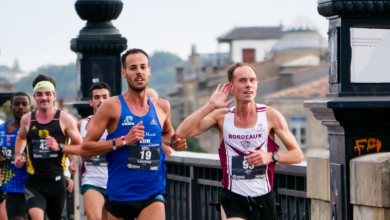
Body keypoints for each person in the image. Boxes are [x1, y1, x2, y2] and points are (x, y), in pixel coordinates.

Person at [175, 63, 303, 220]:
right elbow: (181, 133)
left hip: (264, 200)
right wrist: (210, 106)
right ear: (232, 86)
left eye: (252, 80)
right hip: (233, 199)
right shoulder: (222, 117)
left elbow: (298, 154)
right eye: (242, 80)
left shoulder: (271, 116)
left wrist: (270, 156)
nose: (248, 85)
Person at [80, 48, 187, 220]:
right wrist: (123, 140)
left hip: (152, 191)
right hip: (120, 194)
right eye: (133, 67)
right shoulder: (111, 106)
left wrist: (175, 143)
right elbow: (85, 150)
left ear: (149, 71)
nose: (139, 72)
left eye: (143, 67)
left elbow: (166, 134)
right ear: (124, 73)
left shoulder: (162, 107)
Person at [14, 74, 82, 220]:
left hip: (57, 182)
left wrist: (61, 147)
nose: (43, 98)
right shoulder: (27, 119)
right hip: (34, 182)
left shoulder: (64, 119)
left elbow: (80, 146)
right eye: (39, 94)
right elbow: (21, 137)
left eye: (47, 94)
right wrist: (18, 154)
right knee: (36, 217)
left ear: (54, 95)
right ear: (34, 97)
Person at [77, 82, 111, 220]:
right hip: (92, 180)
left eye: (104, 96)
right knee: (94, 217)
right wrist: (72, 162)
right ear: (91, 102)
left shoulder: (119, 124)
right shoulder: (82, 124)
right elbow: (73, 145)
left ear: (111, 99)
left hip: (115, 179)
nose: (101, 100)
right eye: (97, 97)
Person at [0, 92, 31, 220]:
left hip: (34, 185)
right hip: (12, 187)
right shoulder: (2, 129)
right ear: (11, 106)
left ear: (30, 107)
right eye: (17, 104)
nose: (20, 107)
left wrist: (26, 158)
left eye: (24, 104)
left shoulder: (35, 129)